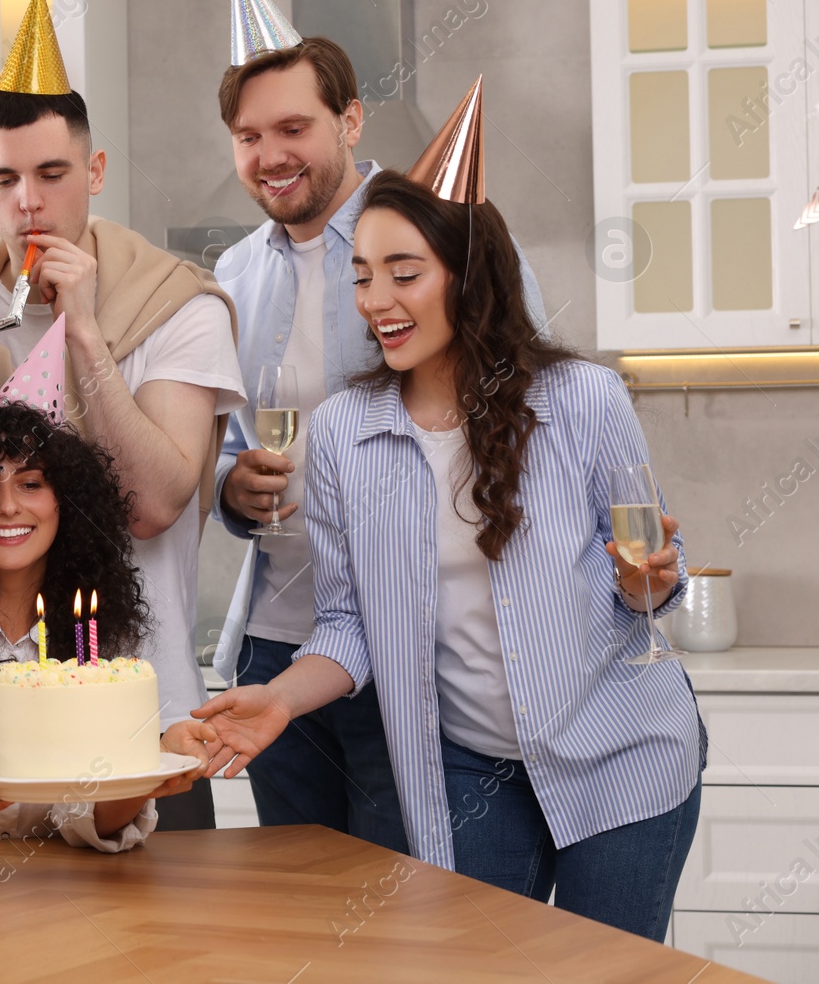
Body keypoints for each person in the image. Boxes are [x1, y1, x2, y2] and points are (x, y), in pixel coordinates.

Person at [196, 166, 704, 942]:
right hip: (469, 768)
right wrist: (280, 698)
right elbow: (346, 626)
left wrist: (652, 581)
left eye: (405, 273)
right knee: (470, 966)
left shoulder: (583, 400)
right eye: (362, 275)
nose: (376, 300)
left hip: (622, 755)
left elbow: (651, 579)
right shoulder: (341, 433)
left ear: (471, 277)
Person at [208, 0, 545, 851]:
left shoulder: (439, 227)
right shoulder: (234, 273)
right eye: (249, 136)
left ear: (349, 120)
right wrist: (230, 486)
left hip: (414, 646)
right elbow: (224, 441)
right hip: (280, 640)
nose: (271, 154)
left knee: (410, 906)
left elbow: (526, 393)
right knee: (305, 903)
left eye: (293, 126)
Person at [0, 0, 245, 831]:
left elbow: (152, 502)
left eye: (53, 174)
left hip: (156, 727)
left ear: (93, 173)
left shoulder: (179, 308)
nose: (30, 200)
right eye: (5, 178)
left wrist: (86, 332)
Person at [0, 401, 213, 859]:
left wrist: (146, 771)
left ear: (65, 499)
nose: (8, 506)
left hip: (77, 900)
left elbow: (95, 823)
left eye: (31, 484)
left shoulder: (103, 626)